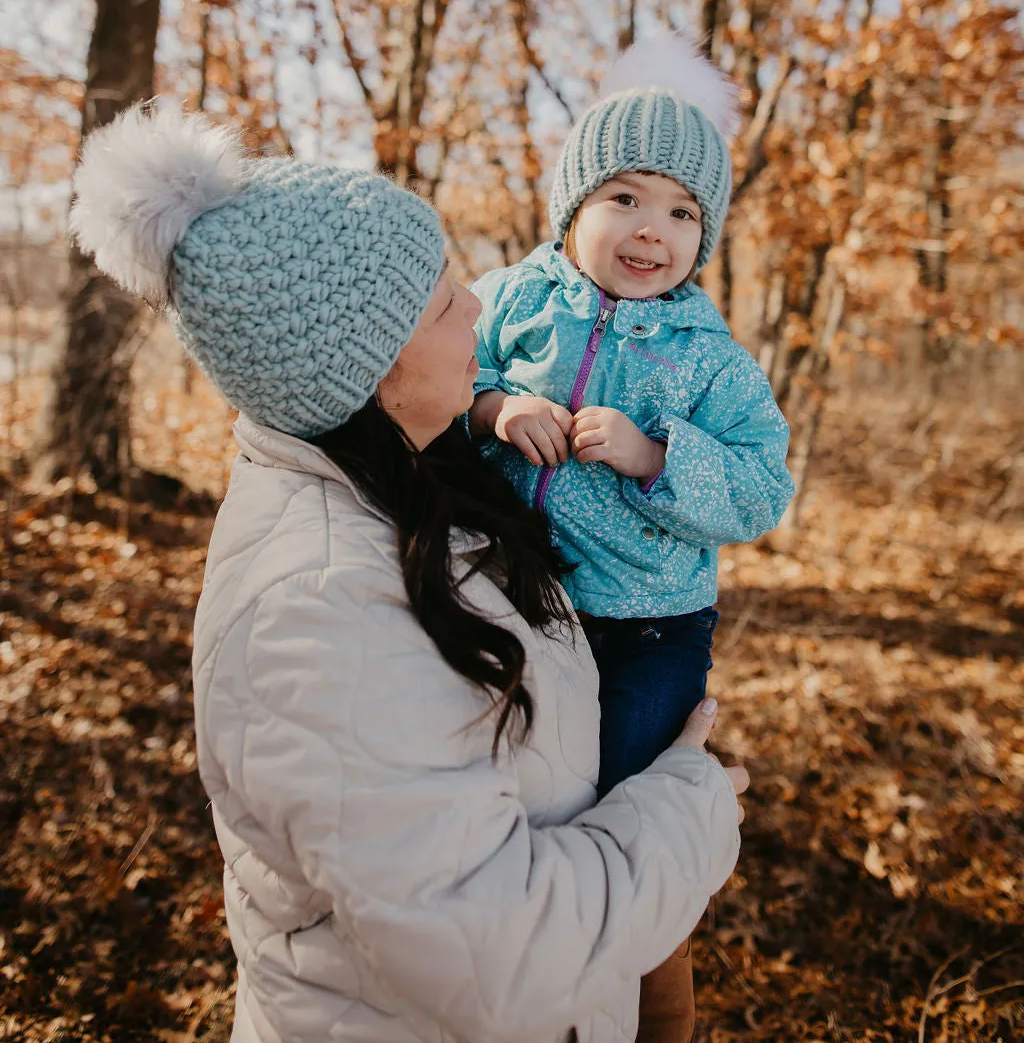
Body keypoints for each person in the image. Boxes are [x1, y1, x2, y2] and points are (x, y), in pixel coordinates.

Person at [69, 100, 748, 1043]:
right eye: (439, 300)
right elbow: (495, 953)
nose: (478, 300)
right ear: (370, 373)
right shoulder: (320, 612)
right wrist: (690, 803)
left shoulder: (418, 478)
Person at [469, 36, 794, 1039]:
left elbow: (762, 490)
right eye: (625, 197)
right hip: (513, 592)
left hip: (647, 625)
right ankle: (518, 987)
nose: (652, 229)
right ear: (573, 207)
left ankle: (653, 1003)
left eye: (682, 210)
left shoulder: (711, 359)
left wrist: (657, 458)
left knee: (618, 813)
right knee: (514, 805)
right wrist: (496, 409)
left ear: (707, 233)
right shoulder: (514, 299)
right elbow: (452, 377)